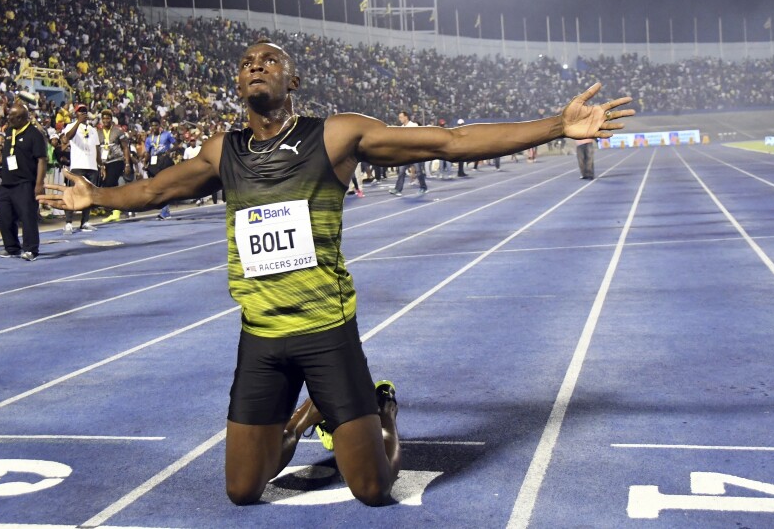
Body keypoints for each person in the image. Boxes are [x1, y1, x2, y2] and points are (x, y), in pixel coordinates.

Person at [38, 37, 633, 506]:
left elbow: (449, 143)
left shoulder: (337, 135)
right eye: (246, 62)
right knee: (242, 490)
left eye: (270, 60)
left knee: (373, 491)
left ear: (293, 80)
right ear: (237, 82)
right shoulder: (224, 152)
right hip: (262, 336)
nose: (256, 66)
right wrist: (97, 198)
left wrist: (557, 126)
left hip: (326, 330)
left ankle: (383, 409)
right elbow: (159, 187)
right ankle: (303, 416)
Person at [0, 102, 47, 261]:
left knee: (28, 216)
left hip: (25, 182)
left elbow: (42, 160)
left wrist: (39, 184)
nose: (8, 119)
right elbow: (6, 156)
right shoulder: (9, 131)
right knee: (4, 215)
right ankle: (11, 248)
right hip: (7, 182)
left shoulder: (34, 134)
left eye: (12, 117)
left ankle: (31, 249)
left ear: (22, 118)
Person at [61, 104, 100, 233]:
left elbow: (96, 148)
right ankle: (68, 222)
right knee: (74, 194)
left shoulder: (93, 130)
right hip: (78, 166)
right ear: (76, 113)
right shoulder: (71, 126)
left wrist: (101, 164)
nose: (83, 113)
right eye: (80, 111)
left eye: (84, 111)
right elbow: (67, 138)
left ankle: (85, 222)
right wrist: (78, 122)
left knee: (89, 196)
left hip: (91, 166)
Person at [98, 109, 132, 223]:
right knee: (108, 186)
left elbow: (125, 147)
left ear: (111, 119)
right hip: (104, 162)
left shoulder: (118, 131)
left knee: (110, 183)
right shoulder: (98, 132)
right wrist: (100, 164)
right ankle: (117, 209)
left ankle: (116, 211)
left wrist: (127, 163)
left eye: (108, 118)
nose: (106, 120)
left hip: (117, 160)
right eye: (104, 118)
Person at [388, 111, 429, 197]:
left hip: (415, 153)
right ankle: (398, 189)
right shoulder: (401, 128)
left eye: (401, 117)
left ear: (406, 117)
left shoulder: (414, 125)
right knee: (401, 171)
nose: (400, 119)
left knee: (418, 171)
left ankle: (423, 187)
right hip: (405, 154)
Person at [144, 118, 176, 219]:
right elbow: (147, 153)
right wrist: (145, 163)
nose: (154, 127)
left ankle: (165, 211)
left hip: (164, 160)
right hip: (154, 162)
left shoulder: (167, 135)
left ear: (159, 125)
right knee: (158, 185)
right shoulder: (149, 138)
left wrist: (168, 152)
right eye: (152, 126)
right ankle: (165, 210)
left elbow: (176, 145)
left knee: (164, 185)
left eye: (156, 125)